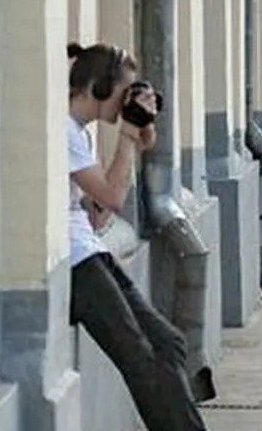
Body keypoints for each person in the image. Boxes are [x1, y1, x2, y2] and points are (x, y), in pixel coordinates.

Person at [66, 42, 211, 431]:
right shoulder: (64, 131)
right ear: (98, 88)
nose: (126, 103)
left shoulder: (80, 134)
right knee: (140, 358)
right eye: (124, 93)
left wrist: (135, 145)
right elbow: (112, 199)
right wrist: (127, 138)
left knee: (168, 343)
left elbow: (98, 216)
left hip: (90, 251)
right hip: (74, 263)